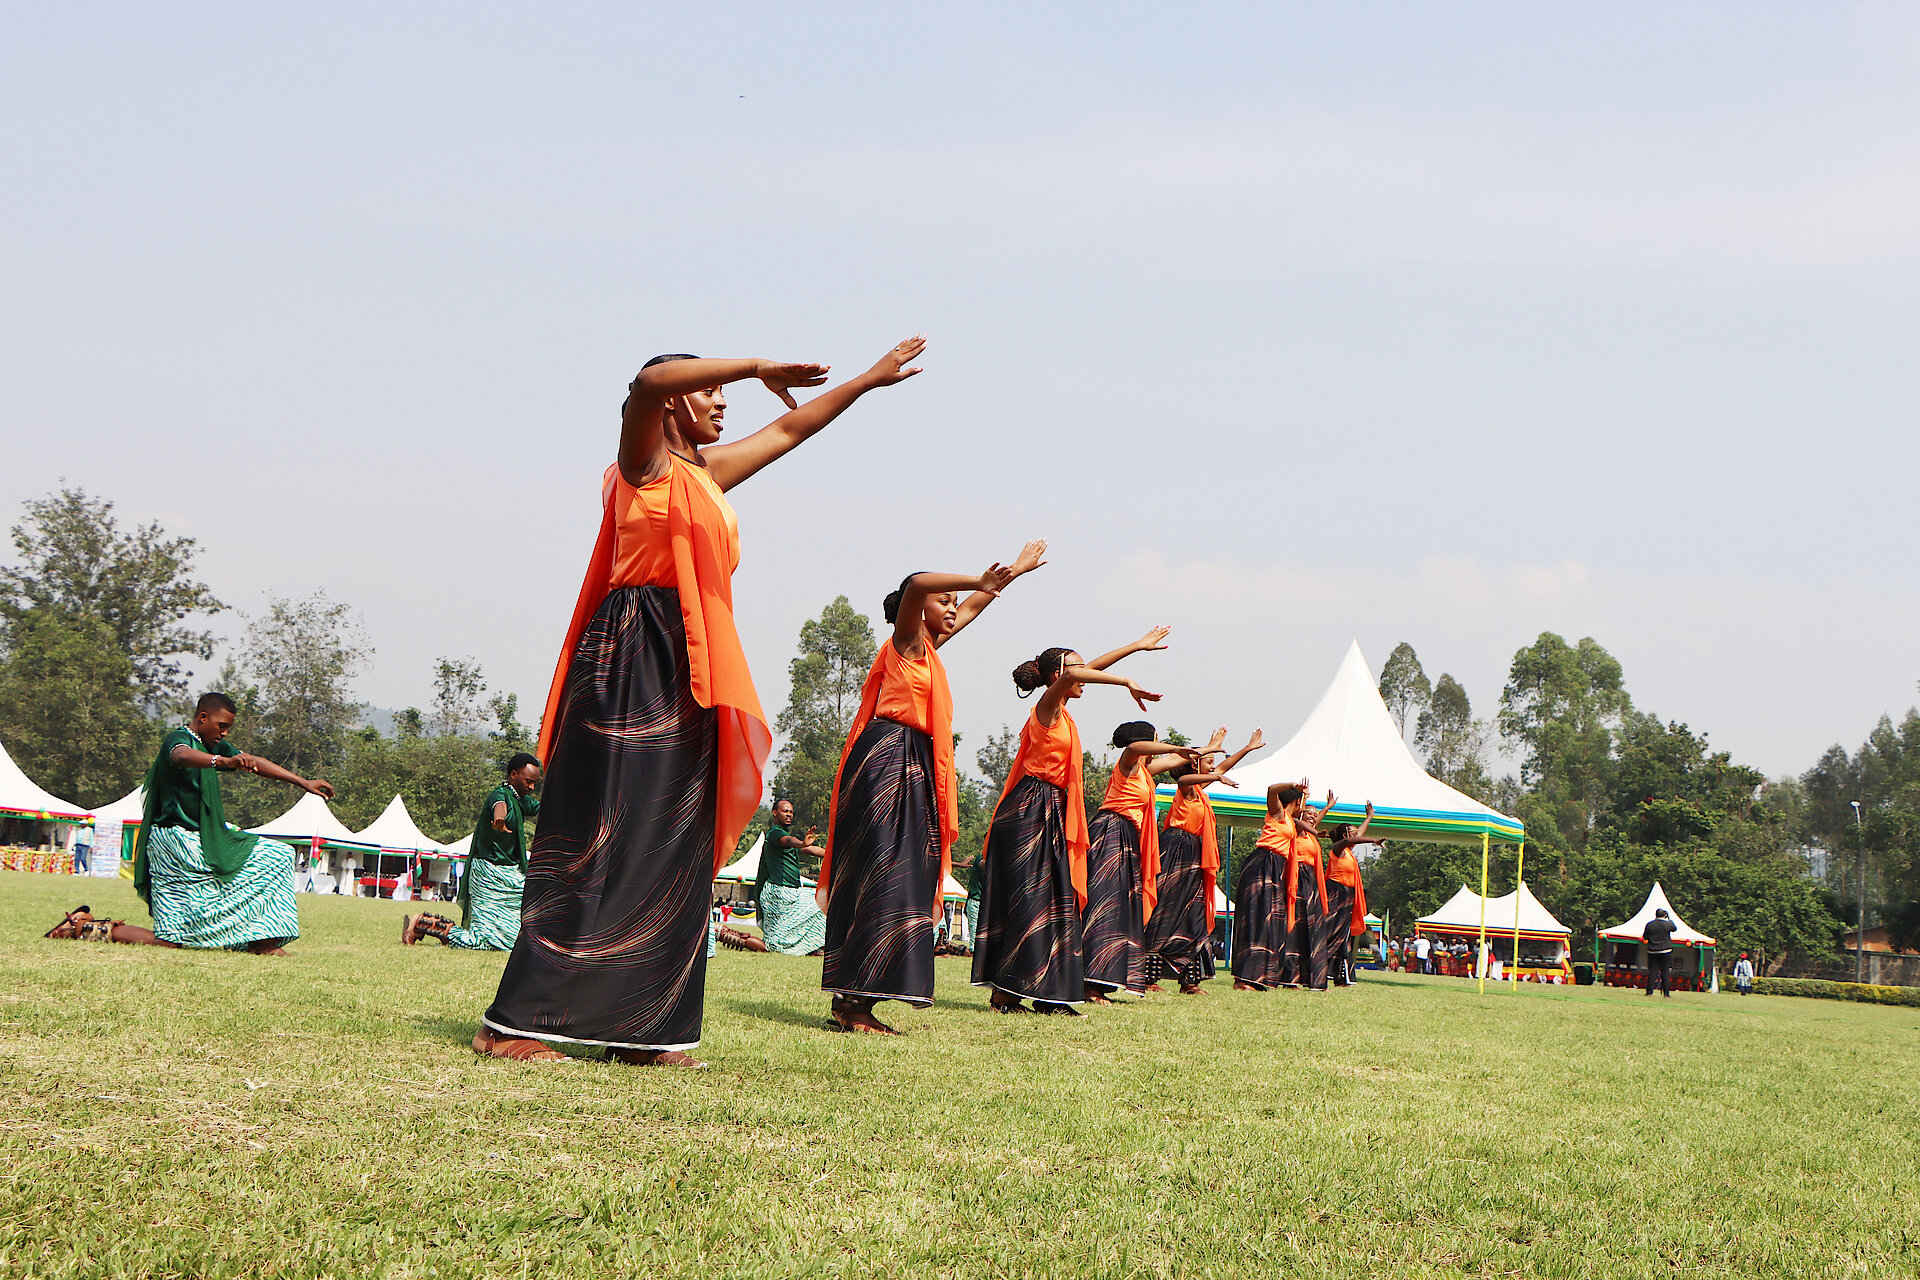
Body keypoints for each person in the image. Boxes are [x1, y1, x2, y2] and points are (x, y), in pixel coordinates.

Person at [477, 337, 927, 1068]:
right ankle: (512, 1024)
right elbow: (646, 381)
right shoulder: (642, 461)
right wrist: (754, 366)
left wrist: (867, 381)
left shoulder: (705, 474)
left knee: (671, 846)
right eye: (711, 390)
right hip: (628, 658)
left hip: (690, 669)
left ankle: (643, 1029)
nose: (722, 402)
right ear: (676, 400)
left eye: (724, 392)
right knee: (597, 839)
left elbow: (791, 429)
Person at [819, 552, 1042, 1033]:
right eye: (946, 601)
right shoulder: (904, 641)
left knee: (906, 879)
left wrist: (1012, 575)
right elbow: (918, 581)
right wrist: (977, 577)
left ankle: (858, 998)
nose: (954, 607)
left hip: (914, 766)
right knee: (882, 877)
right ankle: (852, 1002)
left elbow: (974, 606)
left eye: (955, 602)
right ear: (917, 608)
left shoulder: (929, 649)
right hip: (885, 763)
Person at [972, 631, 1168, 1014]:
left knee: (1057, 903)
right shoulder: (1047, 706)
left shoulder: (1062, 707)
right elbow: (1077, 674)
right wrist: (1126, 681)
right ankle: (1005, 995)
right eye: (1075, 668)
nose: (1084, 675)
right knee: (1030, 902)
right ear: (1058, 674)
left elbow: (1086, 670)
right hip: (1029, 810)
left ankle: (1050, 995)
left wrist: (1136, 646)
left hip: (1053, 810)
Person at [99, 693, 330, 954]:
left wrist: (303, 782)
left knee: (277, 855)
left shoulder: (210, 745)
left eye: (228, 727)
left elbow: (254, 762)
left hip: (199, 842)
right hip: (172, 845)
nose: (225, 733)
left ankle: (262, 943)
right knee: (170, 941)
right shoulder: (179, 739)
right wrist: (222, 761)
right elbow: (181, 756)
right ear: (203, 717)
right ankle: (87, 928)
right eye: (221, 726)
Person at [1083, 722, 1204, 1002]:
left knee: (1119, 911)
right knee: (1103, 907)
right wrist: (1174, 746)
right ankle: (1089, 984)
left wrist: (1206, 749)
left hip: (1126, 837)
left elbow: (1176, 759)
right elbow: (1135, 747)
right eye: (1156, 740)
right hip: (1110, 833)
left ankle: (1100, 982)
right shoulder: (1128, 763)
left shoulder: (1145, 773)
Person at [1146, 728, 1263, 995]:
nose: (1213, 767)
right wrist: (1215, 772)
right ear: (1195, 764)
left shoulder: (1199, 790)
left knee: (1195, 913)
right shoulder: (1187, 787)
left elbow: (1223, 767)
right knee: (1165, 911)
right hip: (1176, 851)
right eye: (1208, 762)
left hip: (1195, 855)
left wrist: (1247, 748)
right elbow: (1185, 777)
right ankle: (1148, 977)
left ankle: (1189, 982)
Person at [404, 754, 542, 950]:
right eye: (529, 781)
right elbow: (499, 807)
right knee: (484, 942)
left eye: (535, 783)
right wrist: (499, 819)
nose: (532, 787)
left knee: (510, 943)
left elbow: (543, 808)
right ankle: (422, 923)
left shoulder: (521, 800)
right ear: (513, 774)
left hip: (512, 878)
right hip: (488, 873)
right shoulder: (499, 795)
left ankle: (440, 930)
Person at [1231, 776, 1300, 992]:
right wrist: (1292, 785)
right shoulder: (1278, 813)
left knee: (1270, 922)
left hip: (1276, 867)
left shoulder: (1291, 821)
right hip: (1263, 863)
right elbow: (1271, 789)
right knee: (1256, 919)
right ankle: (1243, 979)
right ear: (1295, 802)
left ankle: (1260, 978)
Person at [1278, 788, 1334, 990]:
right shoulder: (1293, 830)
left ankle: (1311, 978)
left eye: (1315, 815)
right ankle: (1290, 978)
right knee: (1295, 929)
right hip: (1297, 880)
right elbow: (1299, 820)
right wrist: (1302, 800)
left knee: (1313, 930)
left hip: (1311, 883)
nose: (1313, 817)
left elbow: (1313, 823)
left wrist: (1328, 807)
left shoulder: (1310, 835)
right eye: (1309, 813)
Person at [1319, 806, 1375, 988]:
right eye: (1352, 834)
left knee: (1343, 935)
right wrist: (1372, 840)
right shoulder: (1338, 849)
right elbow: (1352, 839)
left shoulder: (1349, 852)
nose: (1356, 836)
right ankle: (1318, 969)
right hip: (1336, 893)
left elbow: (1357, 834)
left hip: (1347, 895)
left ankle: (1342, 976)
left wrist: (1369, 817)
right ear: (1344, 836)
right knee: (1330, 933)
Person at [1643, 906, 1677, 997]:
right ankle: (1666, 993)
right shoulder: (1668, 924)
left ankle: (1649, 992)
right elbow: (1674, 928)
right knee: (1665, 972)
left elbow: (1645, 936)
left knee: (1652, 972)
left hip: (1653, 951)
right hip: (1665, 951)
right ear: (1664, 915)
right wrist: (1669, 919)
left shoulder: (1650, 924)